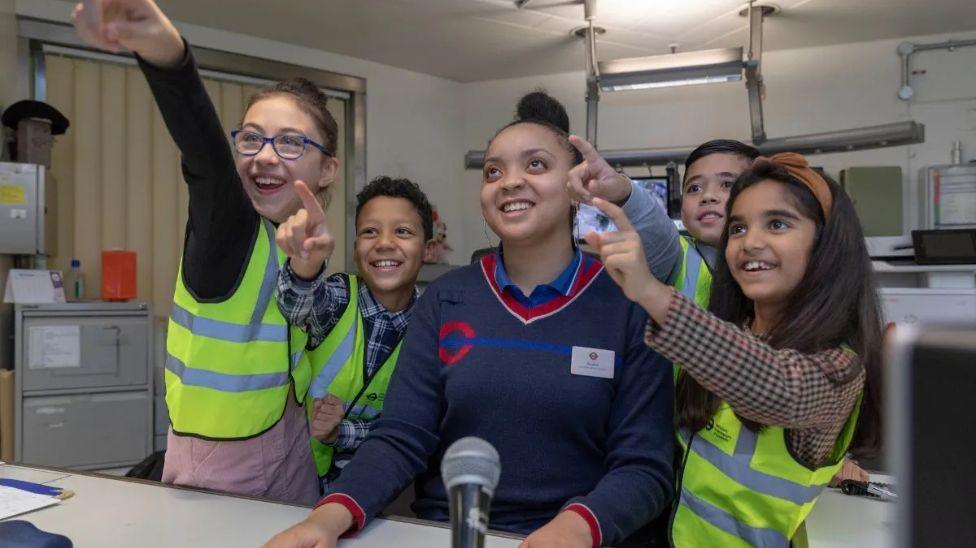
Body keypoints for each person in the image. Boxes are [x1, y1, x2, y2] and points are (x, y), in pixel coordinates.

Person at [266, 92, 674, 548]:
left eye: (535, 165)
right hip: (454, 532)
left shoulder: (626, 303)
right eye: (494, 172)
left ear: (578, 187)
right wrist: (326, 519)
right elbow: (402, 437)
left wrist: (574, 529)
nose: (509, 182)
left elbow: (646, 467)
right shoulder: (446, 300)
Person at [72, 0, 341, 503]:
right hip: (221, 467)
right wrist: (165, 54)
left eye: (289, 143)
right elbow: (205, 158)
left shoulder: (286, 239)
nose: (263, 155)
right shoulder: (229, 227)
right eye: (253, 139)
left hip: (292, 444)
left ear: (327, 170)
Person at [585, 152, 883, 547]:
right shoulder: (734, 330)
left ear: (827, 244)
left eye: (777, 223)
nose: (751, 242)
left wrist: (652, 292)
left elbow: (777, 387)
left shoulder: (839, 366)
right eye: (738, 228)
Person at [275, 176, 434, 490]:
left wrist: (342, 432)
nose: (384, 243)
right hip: (298, 483)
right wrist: (305, 266)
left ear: (427, 249)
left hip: (376, 491)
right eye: (369, 232)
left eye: (402, 231)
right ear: (355, 247)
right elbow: (296, 305)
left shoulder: (432, 324)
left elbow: (417, 428)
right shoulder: (338, 296)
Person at [567, 138, 759, 308]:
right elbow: (654, 226)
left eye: (727, 184)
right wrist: (622, 191)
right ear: (683, 211)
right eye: (694, 188)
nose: (707, 196)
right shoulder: (677, 254)